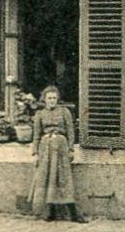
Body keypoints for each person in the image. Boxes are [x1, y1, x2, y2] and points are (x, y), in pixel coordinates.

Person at [29, 85, 85, 221]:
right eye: (49, 98)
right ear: (44, 99)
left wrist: (71, 149)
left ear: (57, 99)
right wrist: (35, 153)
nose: (52, 100)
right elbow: (36, 135)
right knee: (48, 177)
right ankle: (50, 210)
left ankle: (73, 212)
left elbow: (71, 132)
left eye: (54, 98)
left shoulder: (65, 112)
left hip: (61, 146)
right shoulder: (40, 115)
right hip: (45, 148)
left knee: (63, 177)